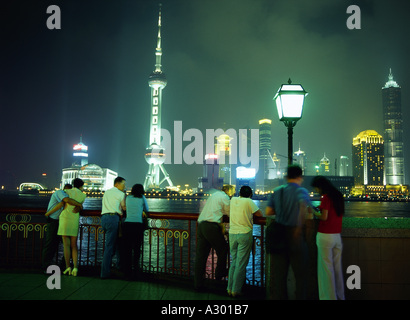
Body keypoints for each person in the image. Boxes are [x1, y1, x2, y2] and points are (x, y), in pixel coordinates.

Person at [265, 164, 310, 300]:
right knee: (301, 276)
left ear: (286, 177)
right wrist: (298, 228)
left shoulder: (278, 191)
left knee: (279, 276)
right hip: (295, 237)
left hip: (279, 236)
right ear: (300, 177)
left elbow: (268, 212)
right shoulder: (302, 191)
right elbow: (304, 208)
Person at [194, 185, 235, 291]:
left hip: (202, 225)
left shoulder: (214, 195)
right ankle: (219, 273)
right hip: (211, 226)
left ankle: (198, 284)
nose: (233, 194)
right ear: (228, 192)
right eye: (233, 192)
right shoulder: (224, 197)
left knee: (201, 256)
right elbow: (230, 212)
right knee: (223, 249)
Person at [311, 176, 345, 300]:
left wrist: (314, 212)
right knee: (337, 269)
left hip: (325, 236)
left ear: (320, 187)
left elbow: (324, 217)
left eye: (316, 188)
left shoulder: (325, 197)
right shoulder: (338, 196)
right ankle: (340, 296)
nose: (316, 190)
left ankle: (328, 297)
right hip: (337, 236)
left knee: (326, 270)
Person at [227, 186, 262, 297]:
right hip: (244, 233)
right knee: (241, 264)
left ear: (239, 193)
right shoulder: (249, 201)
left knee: (234, 262)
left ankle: (229, 288)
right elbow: (259, 214)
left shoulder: (233, 200)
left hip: (232, 233)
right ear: (250, 194)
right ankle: (236, 290)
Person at [42, 184, 83, 272]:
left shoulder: (68, 196)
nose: (68, 192)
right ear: (65, 189)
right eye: (67, 191)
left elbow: (70, 205)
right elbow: (64, 202)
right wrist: (79, 204)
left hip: (62, 222)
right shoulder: (60, 193)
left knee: (67, 245)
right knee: (51, 244)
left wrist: (79, 207)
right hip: (53, 221)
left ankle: (64, 265)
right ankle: (46, 267)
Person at [57, 178, 86, 276]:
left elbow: (63, 202)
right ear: (81, 186)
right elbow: (79, 206)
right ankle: (75, 268)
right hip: (74, 218)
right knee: (74, 245)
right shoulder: (83, 195)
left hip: (65, 218)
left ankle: (67, 267)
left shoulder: (66, 191)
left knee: (66, 245)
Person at [100, 176, 126, 279]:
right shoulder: (121, 194)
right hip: (113, 219)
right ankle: (105, 273)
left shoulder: (106, 192)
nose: (125, 186)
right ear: (117, 184)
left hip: (104, 219)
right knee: (109, 246)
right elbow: (124, 208)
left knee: (113, 244)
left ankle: (117, 267)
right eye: (123, 184)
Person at [122, 183, 149, 280]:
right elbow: (147, 209)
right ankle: (136, 272)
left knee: (127, 250)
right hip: (138, 225)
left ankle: (127, 273)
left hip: (127, 225)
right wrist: (141, 211)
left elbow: (125, 208)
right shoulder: (142, 198)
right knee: (137, 249)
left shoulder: (128, 198)